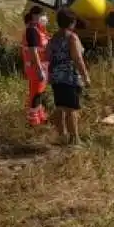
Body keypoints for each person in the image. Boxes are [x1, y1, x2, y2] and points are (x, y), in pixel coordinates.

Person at [47, 10, 91, 146]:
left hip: (56, 76)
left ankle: (62, 136)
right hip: (69, 77)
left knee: (60, 107)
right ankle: (75, 139)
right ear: (71, 22)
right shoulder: (72, 37)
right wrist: (86, 77)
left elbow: (48, 56)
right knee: (72, 109)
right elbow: (78, 59)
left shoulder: (53, 38)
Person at [21, 6, 51, 127]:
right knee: (36, 93)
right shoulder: (32, 31)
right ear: (35, 16)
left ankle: (40, 116)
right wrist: (39, 70)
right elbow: (33, 51)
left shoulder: (38, 29)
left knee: (39, 92)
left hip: (40, 66)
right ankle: (33, 121)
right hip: (36, 67)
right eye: (43, 15)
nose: (45, 18)